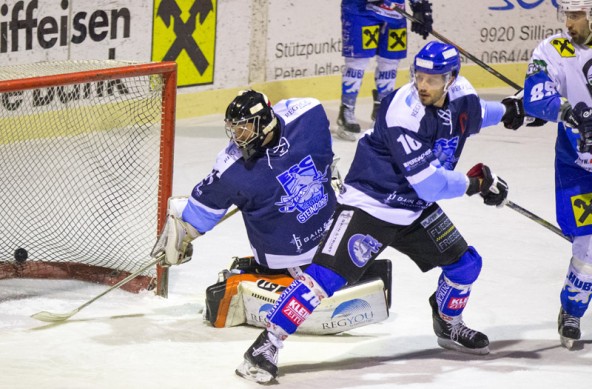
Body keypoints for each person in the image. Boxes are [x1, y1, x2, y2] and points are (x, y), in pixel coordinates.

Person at [235, 41, 525, 384]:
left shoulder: (460, 94)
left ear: (451, 79)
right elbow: (430, 185)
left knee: (466, 265)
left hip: (413, 209)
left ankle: (448, 324)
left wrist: (508, 112)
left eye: (432, 79)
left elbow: (472, 113)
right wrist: (475, 184)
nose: (422, 84)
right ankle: (265, 346)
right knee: (322, 280)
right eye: (419, 75)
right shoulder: (403, 111)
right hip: (371, 204)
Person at [151, 90, 392, 332]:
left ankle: (256, 276)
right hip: (289, 255)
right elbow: (194, 216)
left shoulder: (307, 115)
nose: (237, 136)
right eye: (233, 128)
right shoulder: (233, 167)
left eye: (243, 128)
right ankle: (251, 277)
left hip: (332, 232)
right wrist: (180, 233)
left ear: (265, 122)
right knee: (324, 284)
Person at [522, 0, 592, 350]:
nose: (569, 22)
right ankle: (572, 310)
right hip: (577, 165)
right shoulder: (553, 48)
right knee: (589, 246)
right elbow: (534, 98)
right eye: (566, 13)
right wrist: (565, 110)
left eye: (576, 14)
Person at [337, 0, 434, 141]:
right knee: (358, 61)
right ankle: (347, 109)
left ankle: (382, 110)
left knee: (390, 62)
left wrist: (420, 6)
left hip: (394, 11)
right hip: (360, 10)